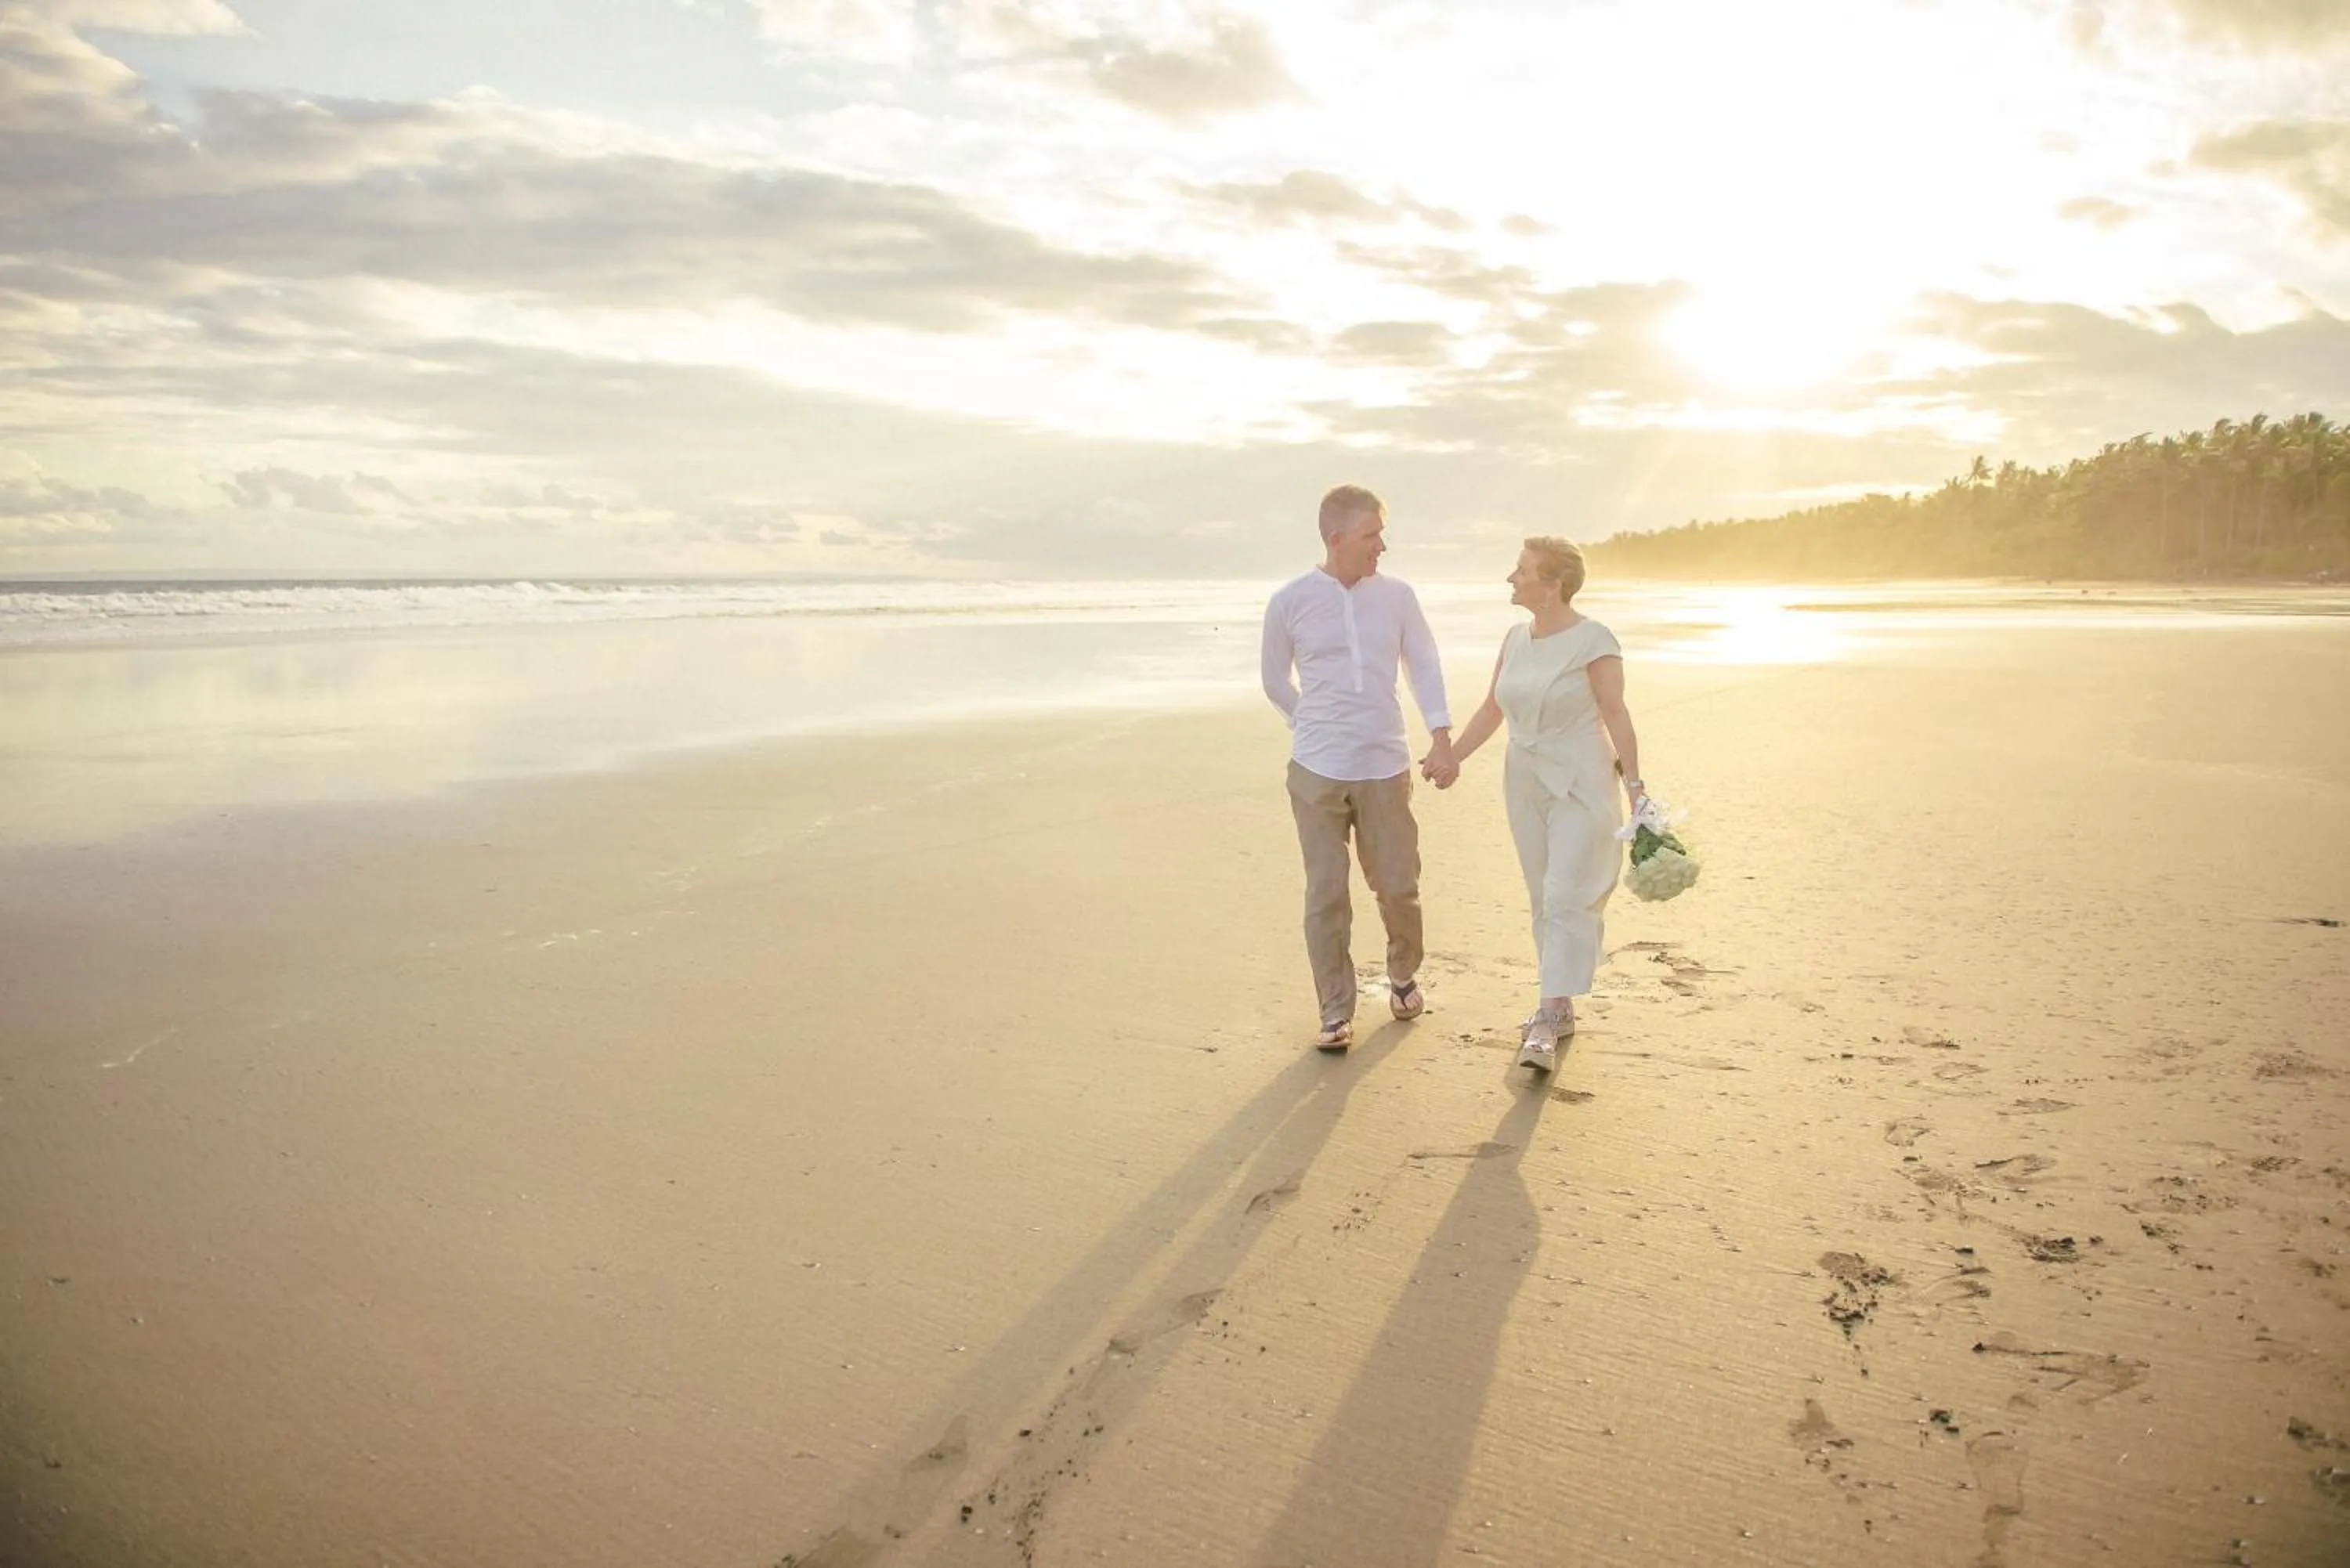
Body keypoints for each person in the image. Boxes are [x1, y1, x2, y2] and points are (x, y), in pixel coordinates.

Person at [1261, 485, 1455, 1051]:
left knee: (1398, 886)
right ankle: (1334, 1010)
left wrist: (1441, 735)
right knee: (1326, 893)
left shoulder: (1397, 597)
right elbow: (1274, 678)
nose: (1382, 546)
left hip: (1384, 765)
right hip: (1316, 771)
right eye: (1372, 535)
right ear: (1337, 537)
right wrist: (1311, 722)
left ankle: (1403, 974)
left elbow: (1423, 663)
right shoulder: (1290, 601)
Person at [1443, 536, 1647, 1072]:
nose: (1512, 578)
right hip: (1524, 778)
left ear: (1553, 585)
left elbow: (1616, 713)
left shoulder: (1594, 639)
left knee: (1564, 893)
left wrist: (1637, 789)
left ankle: (1548, 1015)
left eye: (1522, 570)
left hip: (1580, 779)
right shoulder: (1515, 638)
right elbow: (1493, 709)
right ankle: (1561, 1001)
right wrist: (1453, 757)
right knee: (1542, 894)